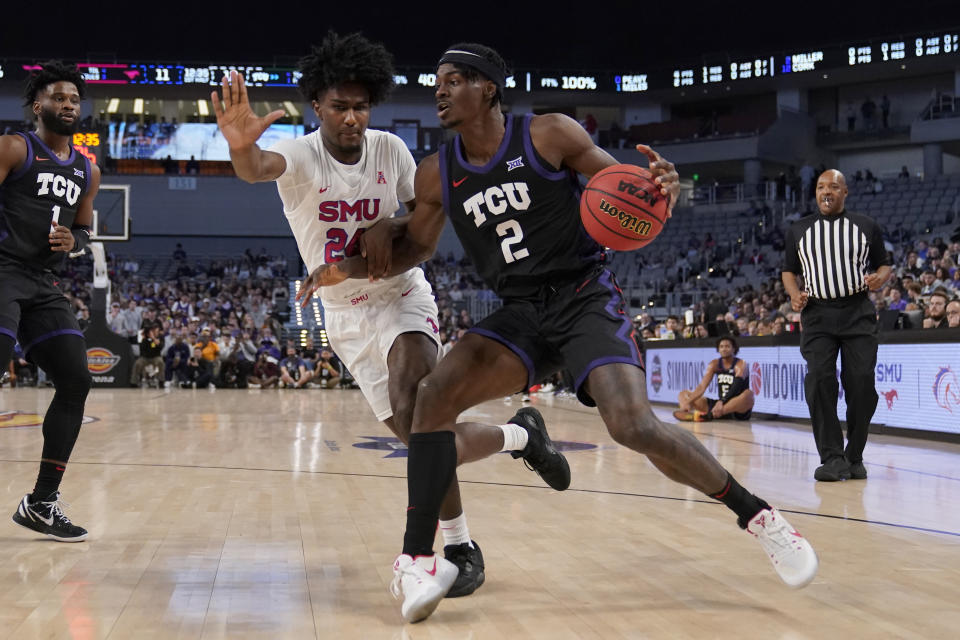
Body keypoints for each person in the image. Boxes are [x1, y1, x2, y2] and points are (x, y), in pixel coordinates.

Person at [299, 42, 819, 623]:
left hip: (583, 297)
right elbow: (416, 246)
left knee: (631, 424)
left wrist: (664, 188)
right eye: (437, 82)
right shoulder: (436, 171)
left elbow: (630, 191)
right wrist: (342, 268)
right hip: (519, 313)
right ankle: (418, 558)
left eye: (453, 81)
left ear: (488, 87)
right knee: (431, 398)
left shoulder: (548, 134)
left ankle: (760, 518)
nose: (439, 91)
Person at [213, 31, 516, 599]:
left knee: (419, 407)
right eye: (339, 107)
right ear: (317, 108)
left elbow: (418, 222)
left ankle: (458, 546)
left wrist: (386, 227)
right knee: (414, 434)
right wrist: (238, 145)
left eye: (360, 106)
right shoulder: (301, 154)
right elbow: (256, 167)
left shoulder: (391, 150)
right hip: (342, 313)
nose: (351, 117)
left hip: (400, 295)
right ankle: (519, 437)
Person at [0, 61, 99, 542]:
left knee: (77, 378)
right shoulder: (14, 147)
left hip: (41, 281)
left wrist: (73, 242)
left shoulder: (87, 169)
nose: (68, 105)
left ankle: (40, 503)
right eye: (60, 97)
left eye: (75, 99)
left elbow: (83, 228)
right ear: (38, 105)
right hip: (1, 270)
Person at [782, 169, 891, 482]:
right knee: (818, 380)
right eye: (820, 187)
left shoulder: (866, 226)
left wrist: (880, 277)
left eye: (832, 186)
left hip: (857, 311)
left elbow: (884, 264)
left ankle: (854, 455)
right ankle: (831, 458)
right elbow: (789, 271)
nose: (825, 191)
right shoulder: (798, 229)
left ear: (845, 192)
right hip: (817, 314)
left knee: (861, 384)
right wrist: (793, 295)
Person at [673, 337, 754, 422]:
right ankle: (692, 414)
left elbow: (736, 386)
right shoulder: (715, 364)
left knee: (749, 394)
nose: (724, 349)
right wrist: (688, 402)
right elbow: (702, 387)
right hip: (718, 406)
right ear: (718, 349)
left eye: (727, 346)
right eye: (721, 346)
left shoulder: (741, 364)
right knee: (683, 394)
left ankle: (709, 416)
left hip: (736, 408)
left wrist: (721, 401)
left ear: (734, 349)